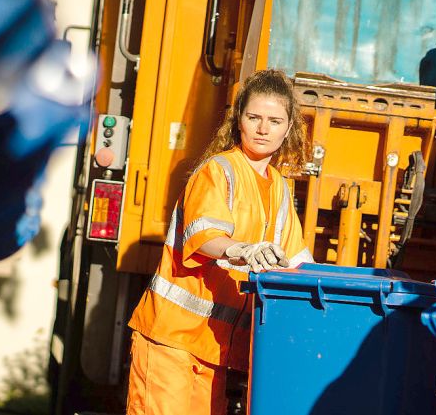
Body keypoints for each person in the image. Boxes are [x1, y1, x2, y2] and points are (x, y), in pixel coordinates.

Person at [125, 69, 314, 415]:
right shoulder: (219, 170)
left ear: (289, 128)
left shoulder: (280, 190)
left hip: (214, 349)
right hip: (171, 339)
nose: (262, 128)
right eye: (253, 117)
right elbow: (203, 237)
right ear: (238, 120)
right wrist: (241, 249)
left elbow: (299, 262)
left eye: (274, 120)